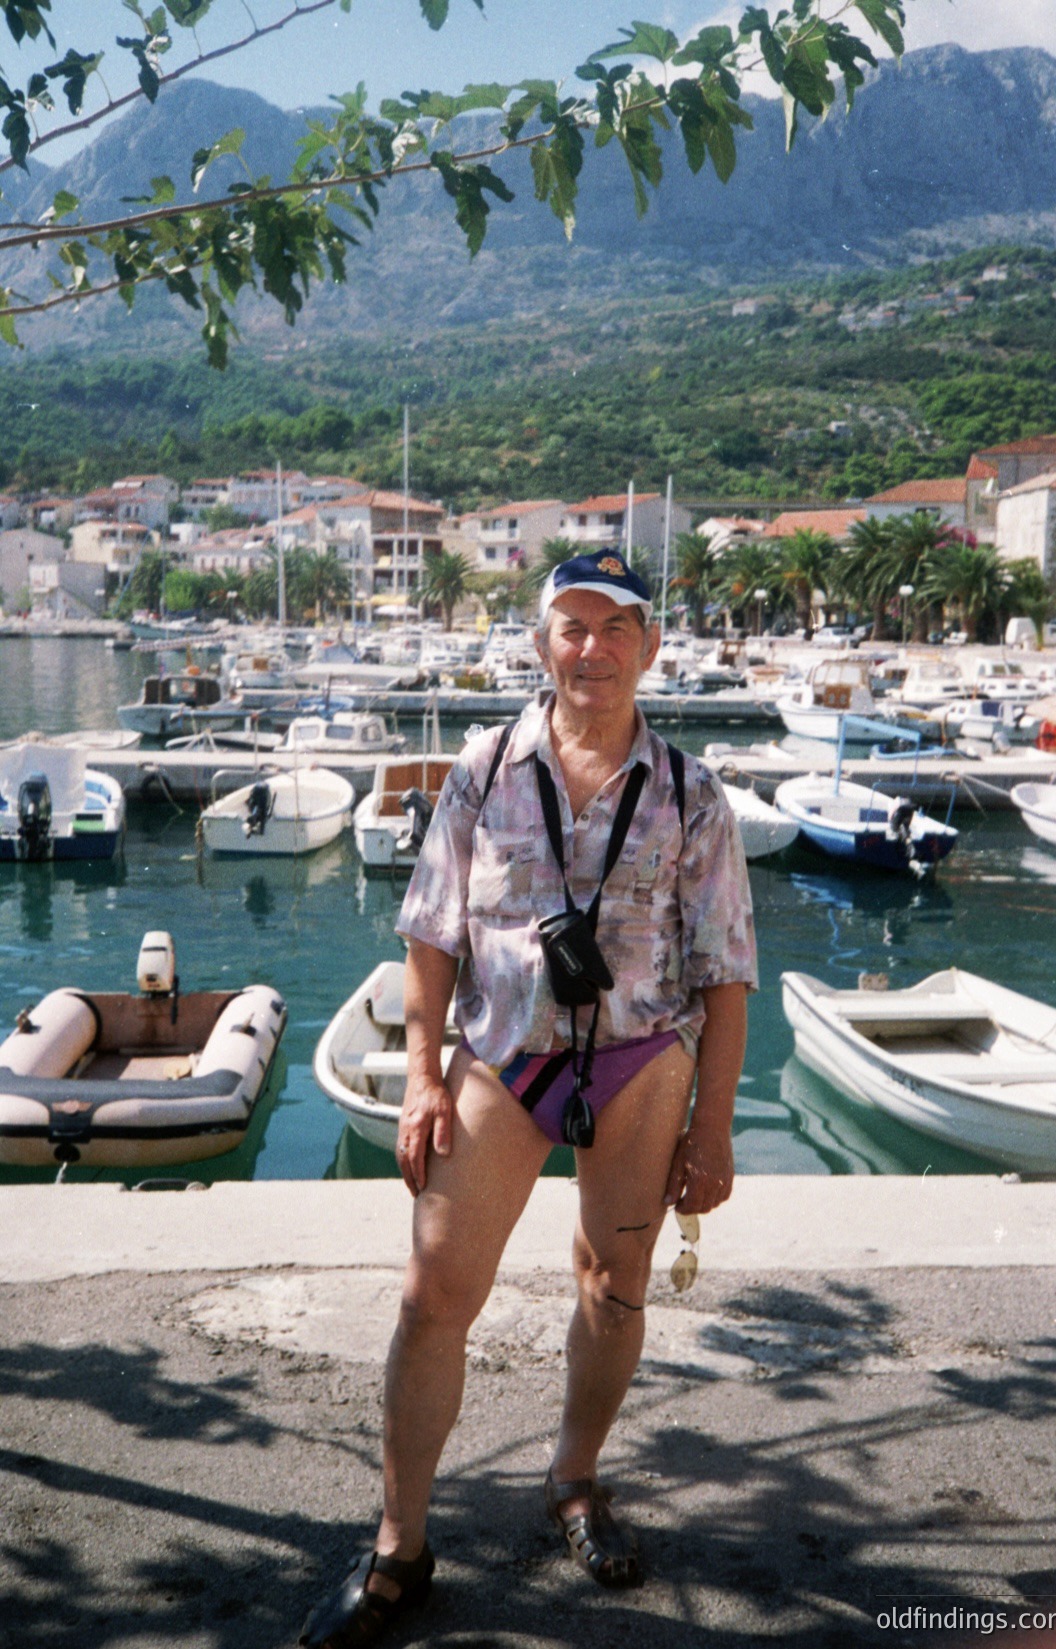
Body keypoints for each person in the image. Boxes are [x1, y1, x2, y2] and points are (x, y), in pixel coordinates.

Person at [301, 548, 758, 1649]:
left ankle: (573, 1480)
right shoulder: (484, 768)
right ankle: (399, 1543)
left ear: (649, 647)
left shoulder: (691, 794)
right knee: (430, 1293)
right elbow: (429, 932)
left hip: (642, 1057)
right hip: (502, 1059)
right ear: (541, 642)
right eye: (571, 626)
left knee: (614, 1286)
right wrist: (417, 1076)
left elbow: (725, 969)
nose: (590, 648)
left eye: (614, 628)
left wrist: (713, 1124)